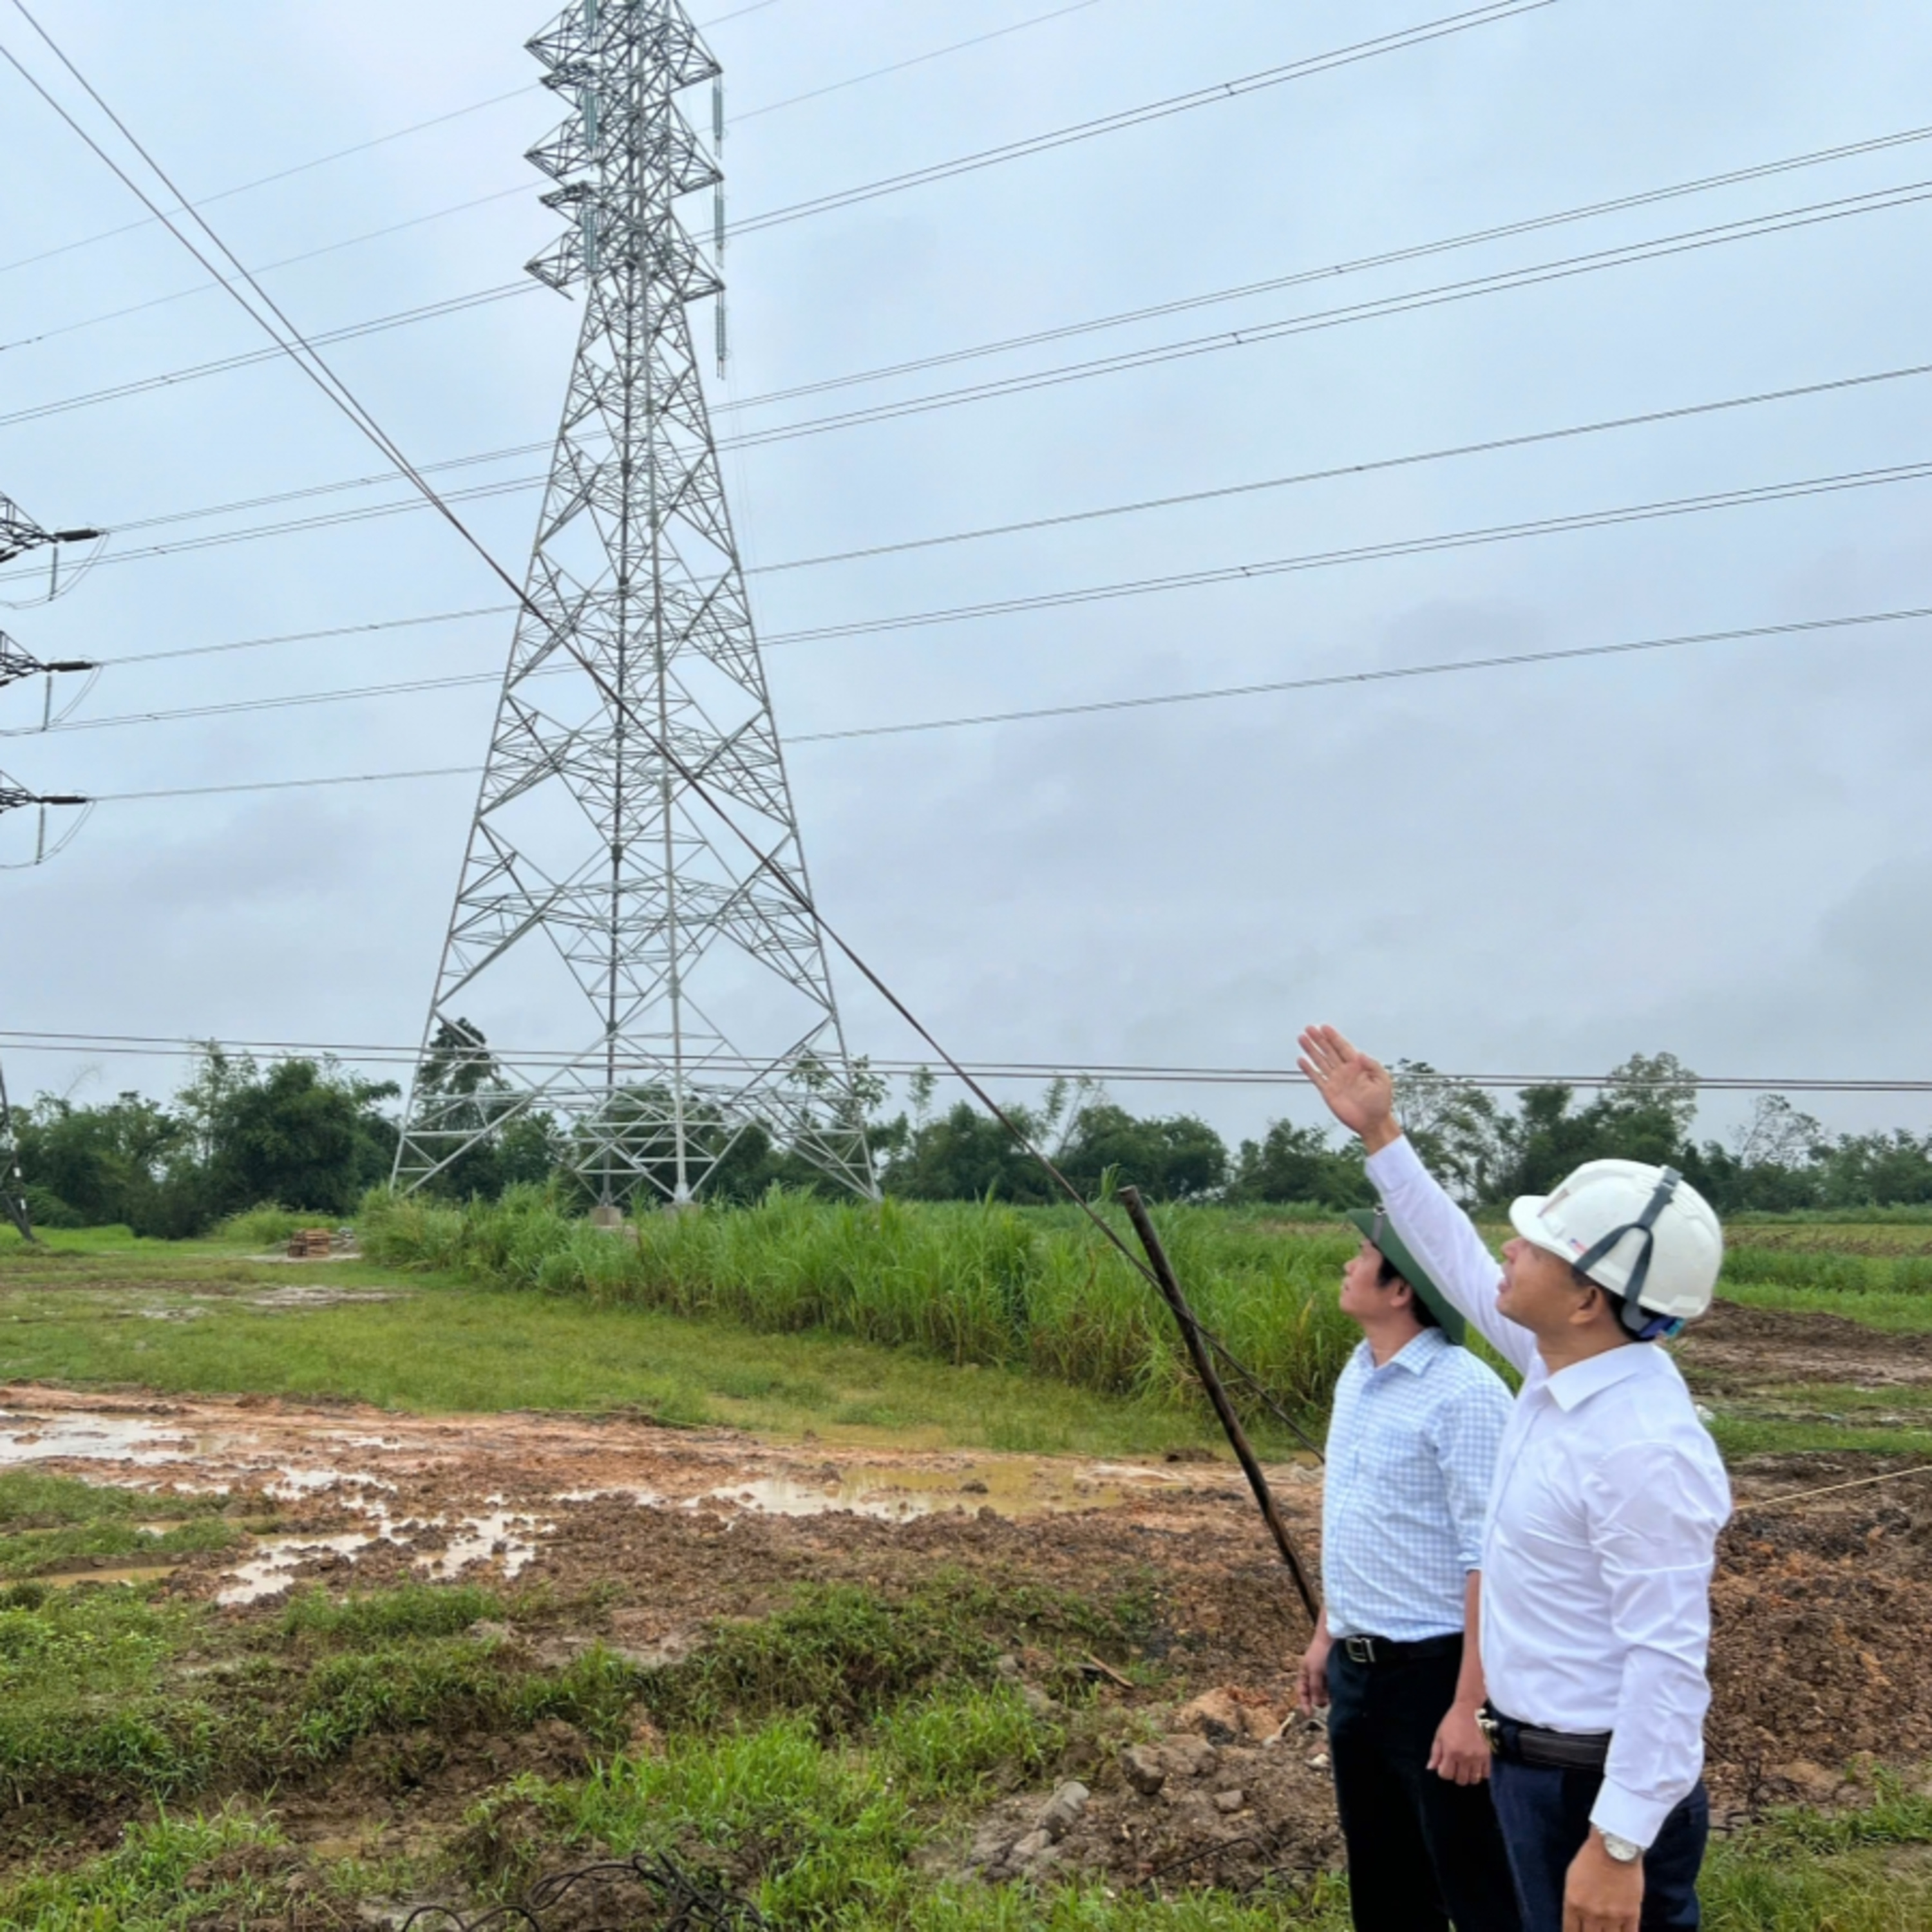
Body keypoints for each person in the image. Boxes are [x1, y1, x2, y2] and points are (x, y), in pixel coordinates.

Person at [1298, 1024, 1732, 1932]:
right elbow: (1452, 1255)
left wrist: (1618, 1845)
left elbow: (1667, 1660)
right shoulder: (1558, 1367)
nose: (1508, 1251)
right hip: (1533, 1767)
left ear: (1587, 1298)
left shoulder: (1641, 1447)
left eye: (1534, 1246)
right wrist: (1383, 1137)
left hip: (1593, 1788)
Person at [1296, 1201, 1520, 1931]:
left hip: (1435, 1676)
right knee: (1385, 1883)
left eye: (1362, 1253)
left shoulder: (1465, 1394)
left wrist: (1470, 1708)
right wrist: (1329, 1633)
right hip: (1361, 1678)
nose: (1348, 1263)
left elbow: (1489, 1559)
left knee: (1476, 1881)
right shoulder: (1357, 1375)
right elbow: (1355, 1518)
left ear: (1401, 1290)